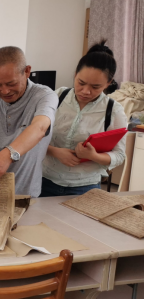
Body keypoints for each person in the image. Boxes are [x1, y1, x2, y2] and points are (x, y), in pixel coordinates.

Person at [41, 41, 127, 197]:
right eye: (81, 83)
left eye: (95, 87)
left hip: (85, 187)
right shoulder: (57, 96)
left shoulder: (114, 111)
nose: (86, 91)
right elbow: (33, 136)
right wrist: (55, 152)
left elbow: (119, 155)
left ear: (108, 83)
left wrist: (93, 156)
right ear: (75, 74)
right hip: (44, 180)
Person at [0, 46, 57, 197]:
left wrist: (7, 156)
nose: (5, 91)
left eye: (11, 84)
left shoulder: (45, 95)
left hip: (27, 193)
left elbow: (39, 127)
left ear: (27, 71)